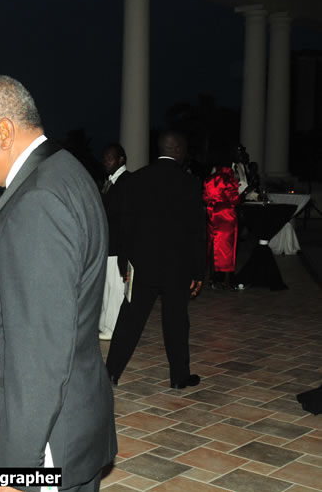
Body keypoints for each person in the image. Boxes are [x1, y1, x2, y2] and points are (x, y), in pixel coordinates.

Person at [0, 75, 116, 492]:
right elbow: (48, 300)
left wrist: (13, 472)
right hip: (57, 422)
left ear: (3, 131)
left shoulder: (37, 201)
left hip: (36, 442)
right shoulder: (58, 173)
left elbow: (41, 355)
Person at [106, 131, 206, 390]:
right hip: (177, 267)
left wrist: (123, 264)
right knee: (176, 321)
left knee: (129, 320)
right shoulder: (191, 184)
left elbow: (124, 227)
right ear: (180, 151)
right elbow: (198, 232)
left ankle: (111, 373)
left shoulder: (135, 180)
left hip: (141, 266)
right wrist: (199, 271)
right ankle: (179, 377)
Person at [99, 143, 131, 341]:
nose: (105, 161)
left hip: (119, 244)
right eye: (104, 158)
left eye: (110, 158)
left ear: (121, 160)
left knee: (117, 288)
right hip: (108, 244)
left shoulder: (127, 181)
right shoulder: (110, 181)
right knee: (106, 287)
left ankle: (113, 327)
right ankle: (105, 325)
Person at [203, 162, 240, 289]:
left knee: (213, 244)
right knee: (228, 247)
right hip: (226, 214)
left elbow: (205, 197)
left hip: (212, 213)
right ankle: (226, 278)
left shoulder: (209, 179)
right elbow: (235, 199)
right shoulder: (230, 180)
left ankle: (214, 277)